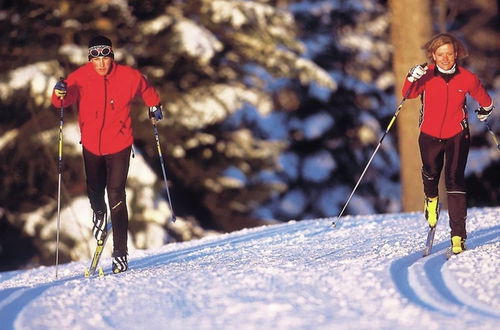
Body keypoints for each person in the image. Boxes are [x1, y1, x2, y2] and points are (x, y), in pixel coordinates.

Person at [52, 35, 164, 273]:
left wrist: (154, 106)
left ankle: (120, 254)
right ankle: (98, 213)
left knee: (116, 194)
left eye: (105, 58)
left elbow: (147, 88)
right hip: (91, 145)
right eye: (96, 59)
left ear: (111, 56)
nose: (101, 64)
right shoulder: (80, 77)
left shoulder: (128, 76)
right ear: (90, 59)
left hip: (120, 145)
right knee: (94, 190)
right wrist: (59, 91)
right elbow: (62, 100)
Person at [402, 33, 493, 255]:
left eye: (449, 54)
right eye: (440, 54)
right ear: (433, 55)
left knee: (455, 181)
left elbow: (486, 101)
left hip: (457, 134)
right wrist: (411, 77)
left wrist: (484, 110)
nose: (445, 58)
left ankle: (458, 236)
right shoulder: (426, 75)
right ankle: (431, 200)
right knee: (431, 174)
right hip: (430, 134)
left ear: (456, 54)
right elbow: (408, 94)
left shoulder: (467, 78)